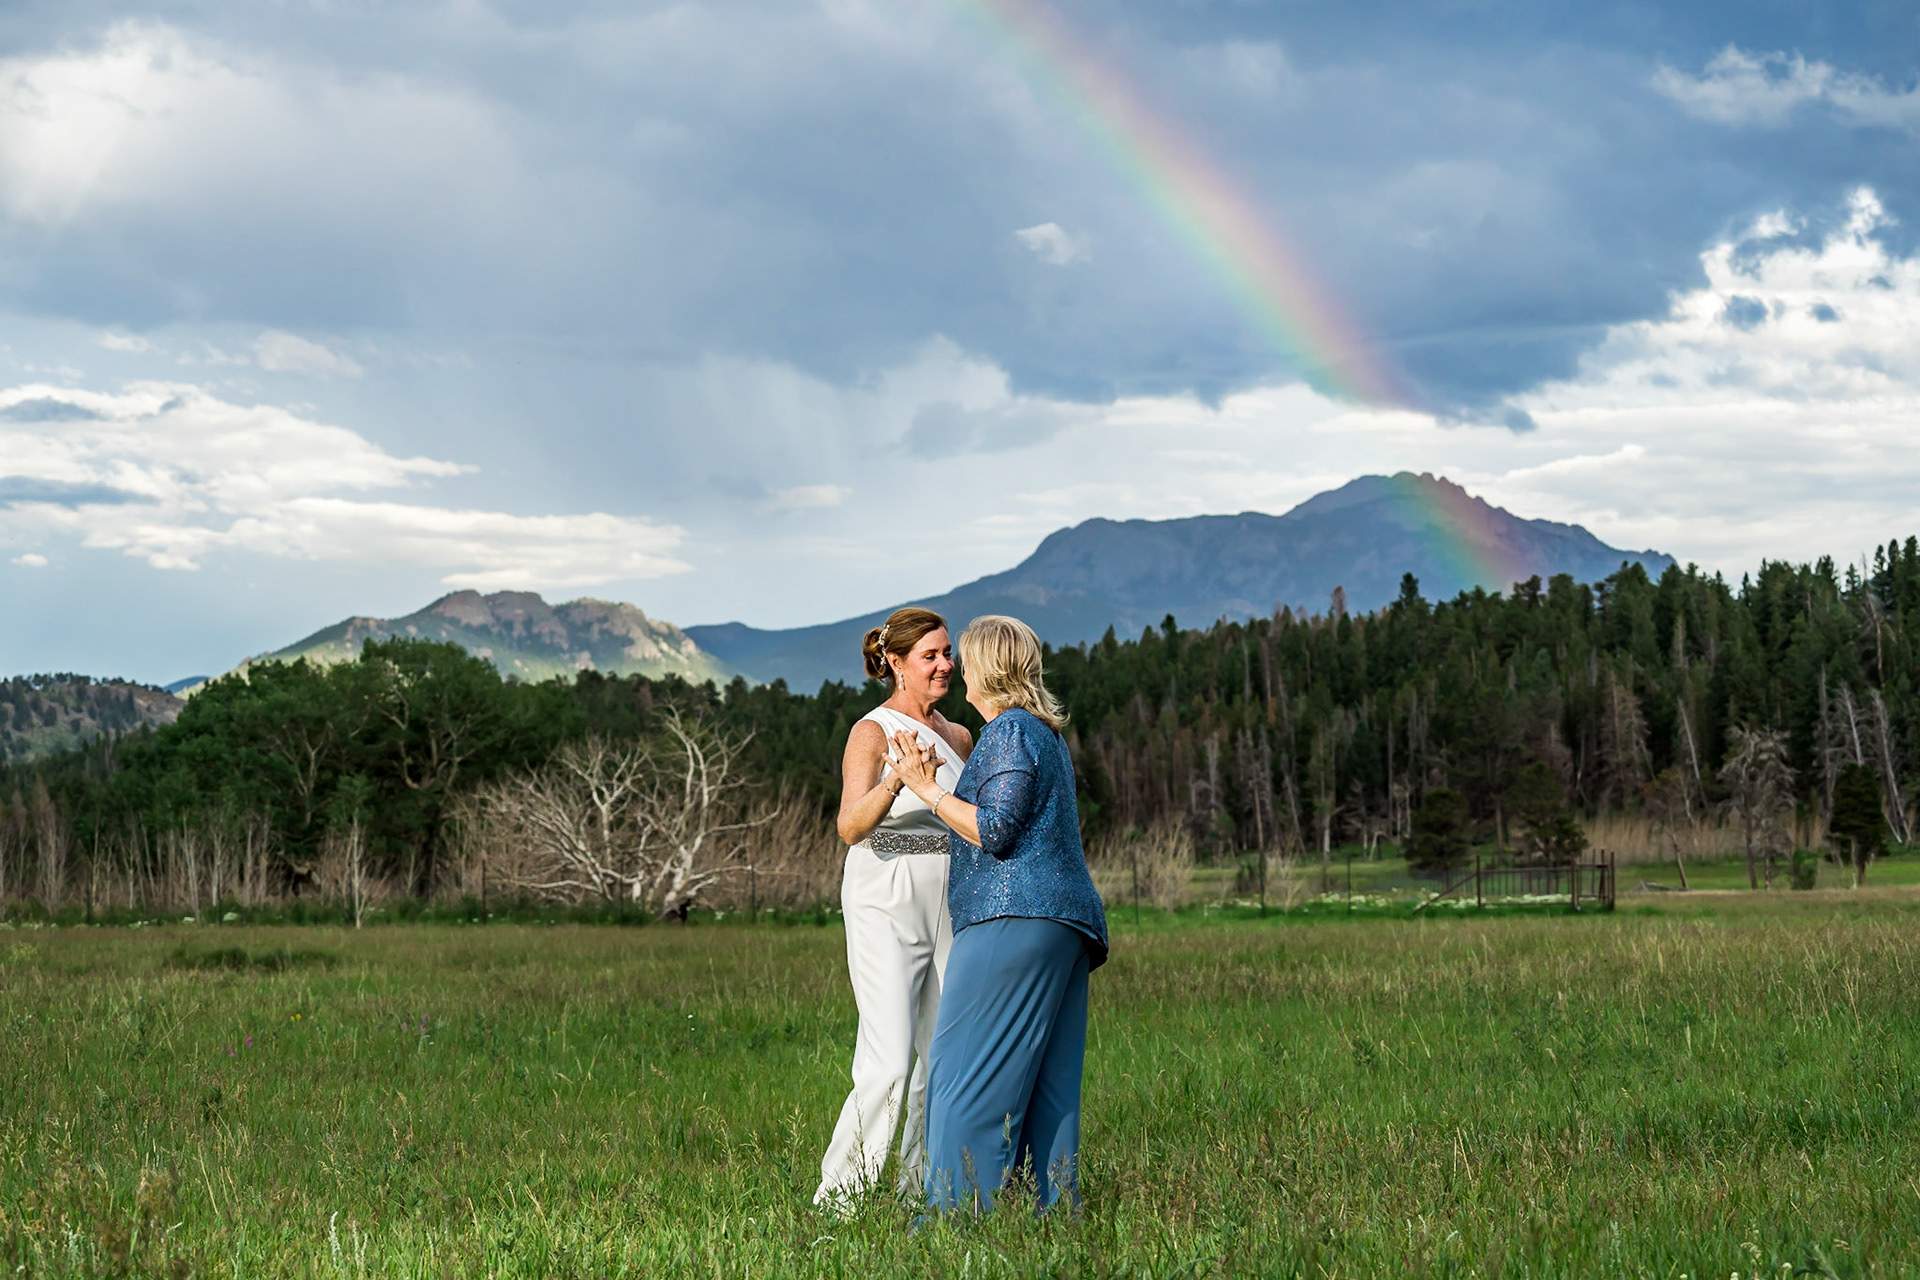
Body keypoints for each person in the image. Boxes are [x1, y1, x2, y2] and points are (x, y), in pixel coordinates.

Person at [885, 614, 1108, 1215]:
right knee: (1049, 1089)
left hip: (1014, 919)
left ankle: (950, 1225)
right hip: (1067, 927)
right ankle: (1055, 1214)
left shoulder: (1008, 731)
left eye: (962, 656)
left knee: (961, 1082)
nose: (952, 666)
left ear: (988, 667)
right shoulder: (1045, 735)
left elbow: (997, 830)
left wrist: (923, 787)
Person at [814, 607, 973, 1208]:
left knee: (944, 1053)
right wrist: (896, 782)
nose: (944, 665)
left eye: (947, 653)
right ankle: (841, 1200)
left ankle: (921, 1195)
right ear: (896, 664)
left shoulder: (959, 736)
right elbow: (850, 827)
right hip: (886, 888)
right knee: (889, 1058)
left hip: (950, 892)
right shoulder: (872, 732)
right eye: (930, 656)